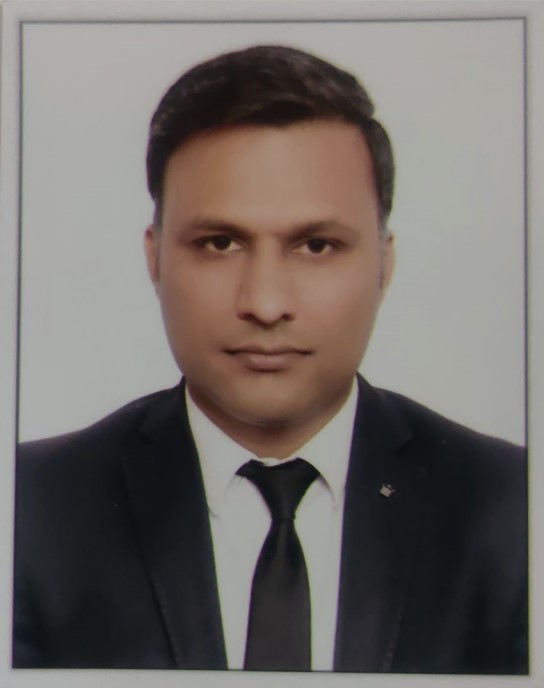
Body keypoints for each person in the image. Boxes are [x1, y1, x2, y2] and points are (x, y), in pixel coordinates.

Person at [13, 44, 527, 674]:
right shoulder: (28, 508)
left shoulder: (514, 509)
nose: (265, 303)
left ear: (385, 263)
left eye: (316, 245)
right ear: (155, 258)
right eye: (220, 242)